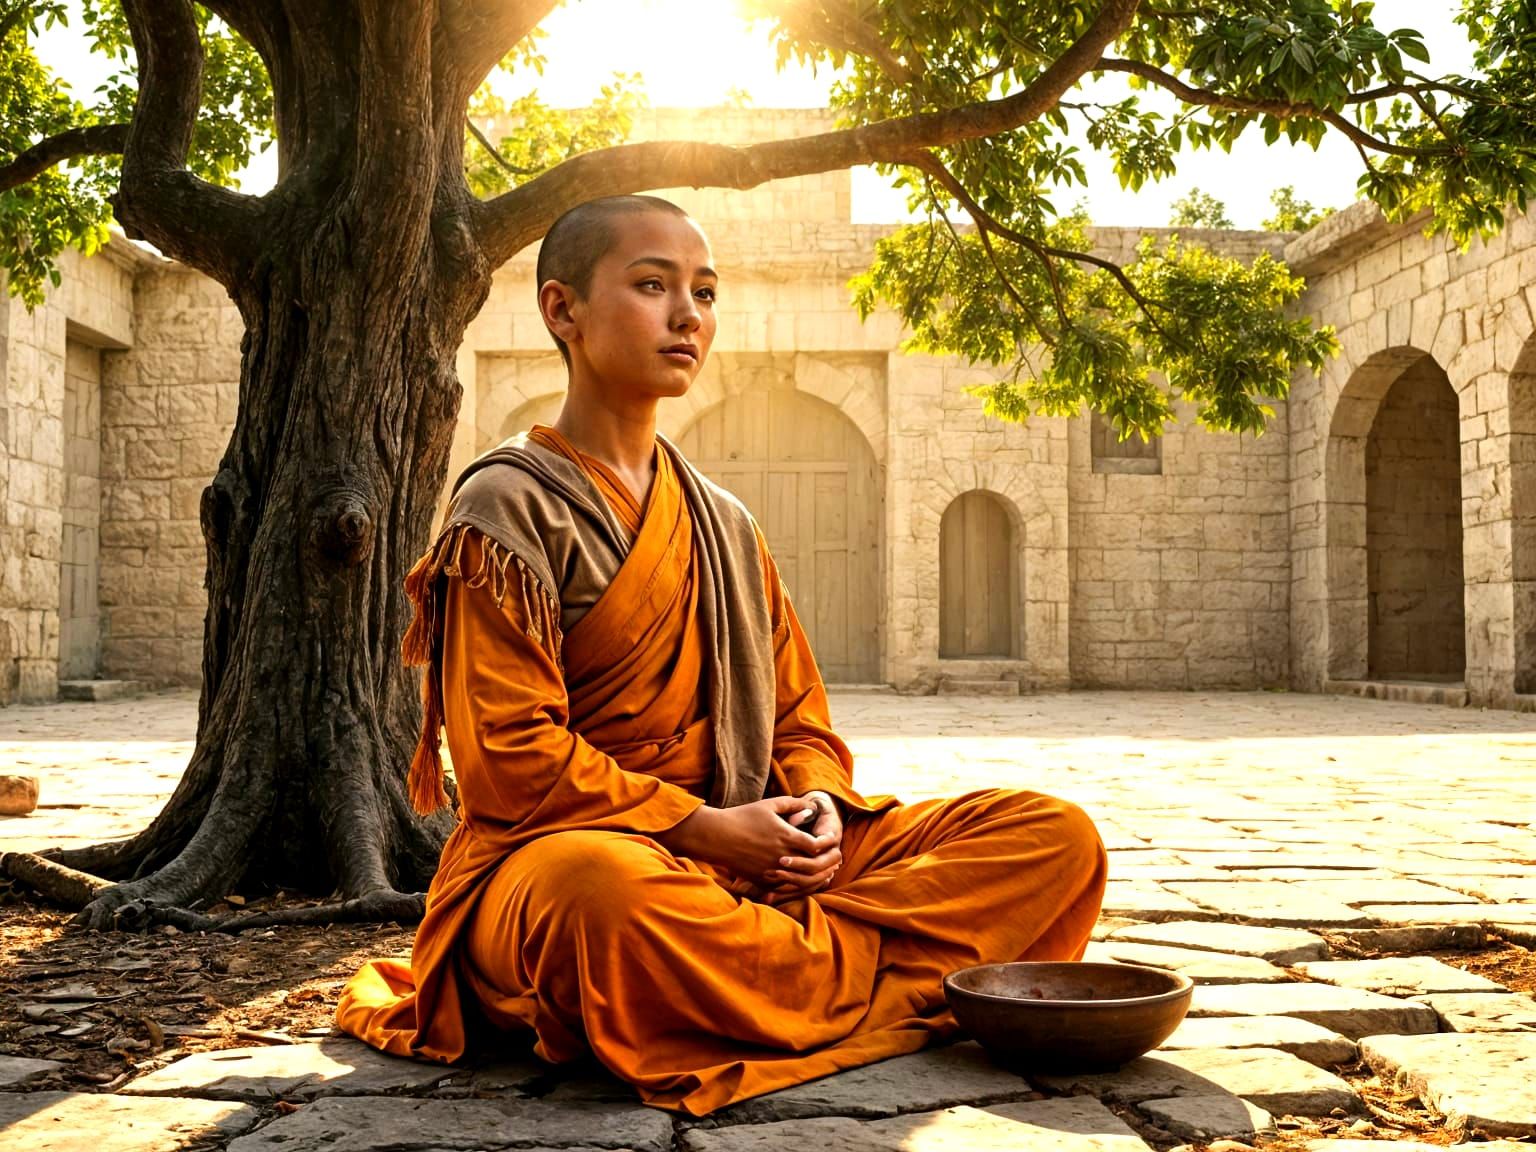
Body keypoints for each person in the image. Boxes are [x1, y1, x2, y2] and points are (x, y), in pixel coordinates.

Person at [336, 194, 1107, 1116]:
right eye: (653, 285)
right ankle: (864, 981)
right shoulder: (507, 508)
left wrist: (815, 807)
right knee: (598, 900)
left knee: (1053, 836)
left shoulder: (725, 523)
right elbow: (510, 767)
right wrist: (699, 830)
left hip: (749, 855)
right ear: (562, 311)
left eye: (703, 292)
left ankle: (779, 979)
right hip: (574, 861)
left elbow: (798, 719)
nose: (687, 315)